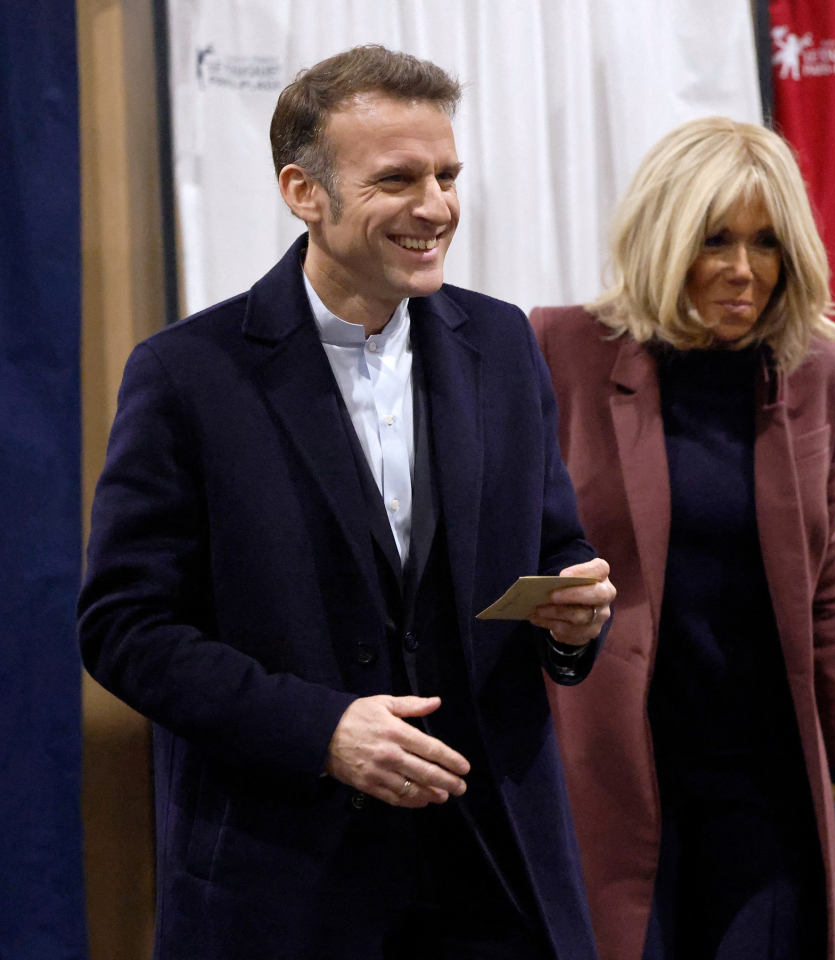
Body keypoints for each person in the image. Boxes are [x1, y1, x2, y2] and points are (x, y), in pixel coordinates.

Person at [79, 45, 615, 960]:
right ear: (303, 191)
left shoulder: (502, 342)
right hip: (283, 882)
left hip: (493, 871)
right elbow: (124, 628)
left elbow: (553, 554)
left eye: (448, 174)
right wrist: (319, 729)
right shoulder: (185, 374)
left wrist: (572, 626)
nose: (438, 207)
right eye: (398, 179)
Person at [530, 116, 835, 960]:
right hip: (609, 768)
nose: (742, 270)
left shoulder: (825, 377)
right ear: (664, 236)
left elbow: (824, 589)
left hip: (761, 786)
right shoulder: (561, 348)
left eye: (766, 244)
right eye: (715, 239)